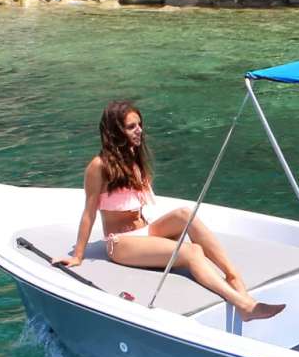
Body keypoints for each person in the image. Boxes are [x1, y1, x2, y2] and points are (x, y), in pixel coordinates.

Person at [58, 100, 286, 321]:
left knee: (185, 214)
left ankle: (233, 276)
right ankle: (245, 306)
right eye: (131, 127)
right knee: (192, 251)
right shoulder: (98, 167)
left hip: (145, 231)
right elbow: (88, 212)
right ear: (115, 131)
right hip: (120, 243)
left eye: (139, 125)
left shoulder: (132, 157)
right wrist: (78, 256)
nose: (139, 131)